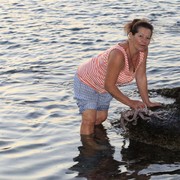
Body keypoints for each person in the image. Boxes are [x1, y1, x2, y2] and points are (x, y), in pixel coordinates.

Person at [74, 18, 162, 137]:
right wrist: (131, 102)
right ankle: (88, 152)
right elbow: (109, 85)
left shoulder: (143, 51)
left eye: (147, 38)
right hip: (87, 80)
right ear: (130, 35)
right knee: (89, 120)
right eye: (140, 36)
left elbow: (141, 76)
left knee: (100, 118)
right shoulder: (118, 54)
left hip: (104, 87)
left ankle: (96, 139)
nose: (144, 41)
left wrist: (147, 102)